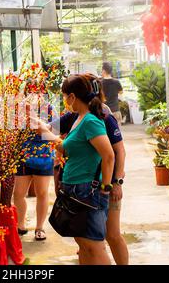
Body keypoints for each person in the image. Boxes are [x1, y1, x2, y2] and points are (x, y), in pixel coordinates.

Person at [49, 73, 129, 265]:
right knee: (86, 243)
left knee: (109, 237)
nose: (65, 100)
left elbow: (116, 153)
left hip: (99, 186)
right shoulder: (75, 117)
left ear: (74, 96)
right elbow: (51, 132)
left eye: (65, 96)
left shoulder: (100, 118)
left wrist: (112, 184)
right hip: (82, 188)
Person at [13, 81, 55, 241]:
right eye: (29, 92)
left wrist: (38, 123)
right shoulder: (19, 110)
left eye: (37, 91)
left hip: (43, 156)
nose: (33, 95)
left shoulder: (49, 108)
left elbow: (54, 130)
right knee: (18, 194)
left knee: (42, 193)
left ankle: (39, 227)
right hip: (23, 155)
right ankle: (20, 226)